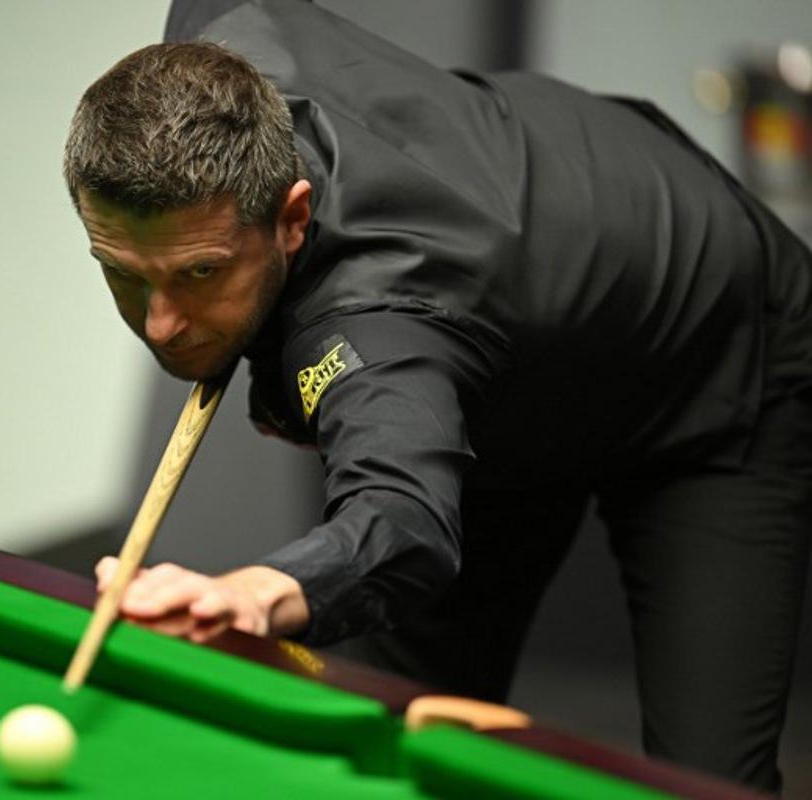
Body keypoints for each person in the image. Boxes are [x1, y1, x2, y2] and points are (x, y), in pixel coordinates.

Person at [62, 0, 811, 791]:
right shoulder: (225, 38)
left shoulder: (383, 313)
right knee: (376, 726)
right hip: (511, 345)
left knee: (706, 781)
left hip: (714, 360)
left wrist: (251, 594)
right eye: (124, 272)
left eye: (201, 273)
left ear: (292, 218)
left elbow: (400, 515)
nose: (162, 323)